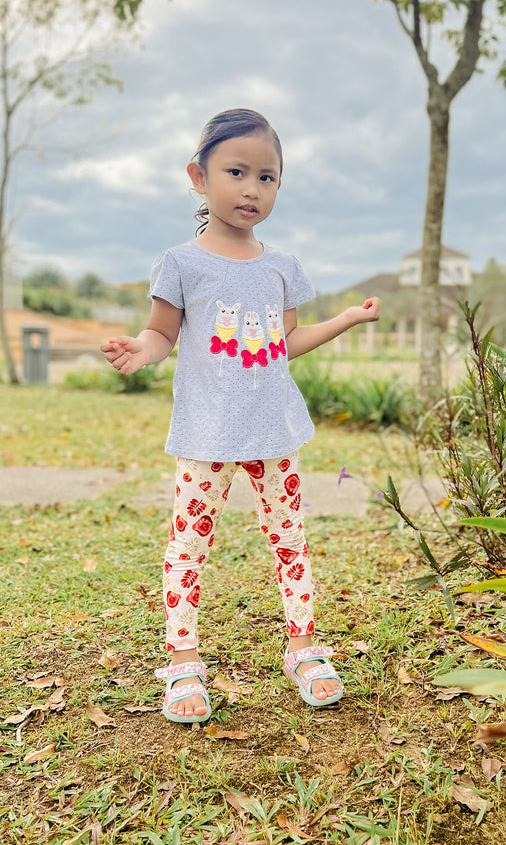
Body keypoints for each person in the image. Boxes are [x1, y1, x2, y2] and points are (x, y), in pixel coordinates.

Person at [101, 108, 381, 723]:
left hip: (274, 431)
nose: (253, 188)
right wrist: (138, 352)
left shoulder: (281, 266)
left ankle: (304, 649)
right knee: (189, 546)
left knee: (290, 539)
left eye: (268, 177)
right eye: (237, 171)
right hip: (205, 435)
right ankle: (182, 660)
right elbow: (160, 334)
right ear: (198, 177)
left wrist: (348, 321)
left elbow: (287, 341)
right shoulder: (180, 263)